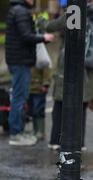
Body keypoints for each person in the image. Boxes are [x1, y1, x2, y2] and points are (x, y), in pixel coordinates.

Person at [45, 2, 93, 151]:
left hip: (71, 64)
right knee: (81, 105)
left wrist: (41, 22)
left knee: (59, 102)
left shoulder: (73, 11)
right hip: (88, 66)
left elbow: (51, 26)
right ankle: (80, 142)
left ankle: (56, 140)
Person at [5, 0, 54, 146]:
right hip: (20, 61)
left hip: (17, 60)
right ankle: (16, 133)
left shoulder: (16, 9)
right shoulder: (21, 11)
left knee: (19, 96)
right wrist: (44, 38)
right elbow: (26, 36)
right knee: (19, 97)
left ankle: (18, 130)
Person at [28, 65, 51, 141]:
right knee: (32, 111)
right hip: (30, 89)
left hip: (39, 89)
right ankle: (35, 130)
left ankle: (40, 131)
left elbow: (46, 71)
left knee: (38, 110)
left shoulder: (41, 56)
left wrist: (45, 84)